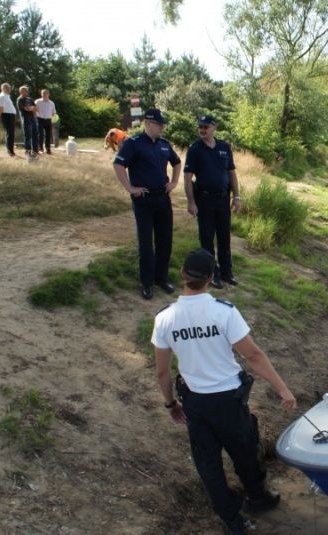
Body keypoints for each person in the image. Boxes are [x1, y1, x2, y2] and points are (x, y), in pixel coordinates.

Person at [152, 249, 296, 534]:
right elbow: (253, 356)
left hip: (194, 402)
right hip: (229, 400)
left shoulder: (165, 319)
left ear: (182, 275)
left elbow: (162, 371)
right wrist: (283, 390)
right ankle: (257, 497)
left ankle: (232, 521)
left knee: (208, 465)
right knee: (244, 450)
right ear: (210, 278)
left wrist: (171, 405)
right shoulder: (223, 313)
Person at [112, 108, 181, 300]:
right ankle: (147, 283)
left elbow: (177, 162)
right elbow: (118, 164)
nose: (162, 128)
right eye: (160, 125)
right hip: (143, 199)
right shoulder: (134, 143)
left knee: (165, 240)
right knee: (145, 243)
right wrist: (130, 188)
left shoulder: (165, 144)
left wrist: (174, 182)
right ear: (149, 124)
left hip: (163, 198)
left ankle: (162, 278)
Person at [183, 115, 242, 288]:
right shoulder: (195, 149)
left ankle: (226, 272)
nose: (202, 130)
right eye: (200, 127)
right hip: (204, 200)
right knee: (207, 239)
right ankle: (212, 274)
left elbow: (231, 173)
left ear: (214, 128)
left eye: (206, 127)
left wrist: (236, 196)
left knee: (224, 237)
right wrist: (191, 202)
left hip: (223, 199)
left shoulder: (224, 147)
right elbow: (187, 178)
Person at [0, 83, 16, 157]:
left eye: (9, 88)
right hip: (6, 115)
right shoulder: (2, 96)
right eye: (7, 88)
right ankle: (10, 151)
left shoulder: (7, 96)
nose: (9, 89)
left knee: (11, 133)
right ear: (3, 88)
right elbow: (0, 107)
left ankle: (11, 149)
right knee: (9, 133)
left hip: (11, 115)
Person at [16, 85, 39, 157]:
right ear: (21, 91)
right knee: (28, 135)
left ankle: (35, 150)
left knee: (35, 135)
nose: (26, 92)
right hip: (26, 120)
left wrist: (32, 108)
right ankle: (28, 150)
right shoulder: (20, 99)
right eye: (24, 91)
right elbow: (26, 108)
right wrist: (32, 108)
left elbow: (37, 108)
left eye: (26, 91)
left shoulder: (30, 99)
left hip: (33, 119)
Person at [35, 89, 57, 155]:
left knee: (48, 135)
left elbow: (53, 112)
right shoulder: (37, 101)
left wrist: (52, 119)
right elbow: (34, 110)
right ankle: (40, 148)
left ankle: (48, 149)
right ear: (41, 94)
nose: (44, 95)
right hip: (40, 119)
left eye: (45, 93)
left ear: (48, 94)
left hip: (48, 120)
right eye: (43, 93)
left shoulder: (52, 103)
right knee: (40, 135)